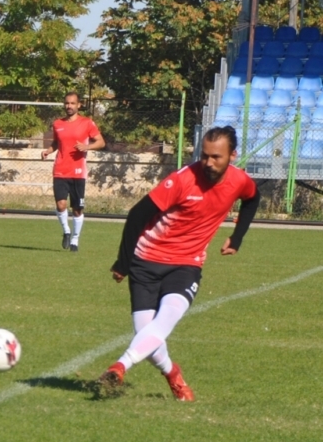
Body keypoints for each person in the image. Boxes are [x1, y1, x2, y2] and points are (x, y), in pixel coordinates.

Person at [94, 126, 260, 401]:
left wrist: (237, 238)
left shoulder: (240, 181)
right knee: (146, 334)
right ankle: (173, 375)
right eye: (204, 155)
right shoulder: (181, 181)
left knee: (165, 321)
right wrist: (123, 263)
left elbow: (253, 200)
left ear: (233, 155)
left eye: (216, 157)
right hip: (146, 261)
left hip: (186, 264)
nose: (208, 162)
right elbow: (137, 215)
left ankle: (119, 366)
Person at [41, 92, 105, 252]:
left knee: (77, 209)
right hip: (60, 170)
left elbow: (101, 142)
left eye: (72, 103)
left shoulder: (87, 123)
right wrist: (48, 151)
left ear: (78, 105)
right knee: (61, 205)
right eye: (66, 103)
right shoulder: (57, 123)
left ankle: (75, 239)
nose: (69, 106)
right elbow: (57, 142)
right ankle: (66, 232)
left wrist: (87, 147)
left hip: (78, 172)